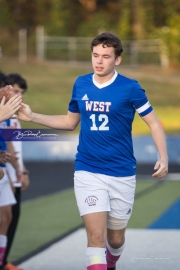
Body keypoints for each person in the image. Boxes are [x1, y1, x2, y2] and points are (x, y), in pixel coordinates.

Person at [17, 32, 168, 270]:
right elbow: (69, 122)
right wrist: (32, 116)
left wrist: (164, 157)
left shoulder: (130, 88)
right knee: (96, 238)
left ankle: (112, 262)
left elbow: (154, 124)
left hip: (122, 172)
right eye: (95, 55)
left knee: (115, 240)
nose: (99, 61)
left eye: (106, 57)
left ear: (117, 60)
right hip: (88, 170)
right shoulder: (81, 83)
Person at [1, 73, 29, 270]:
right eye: (13, 90)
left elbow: (11, 145)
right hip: (7, 171)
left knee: (9, 218)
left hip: (7, 172)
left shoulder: (10, 116)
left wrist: (21, 170)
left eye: (21, 92)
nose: (16, 94)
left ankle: (3, 260)